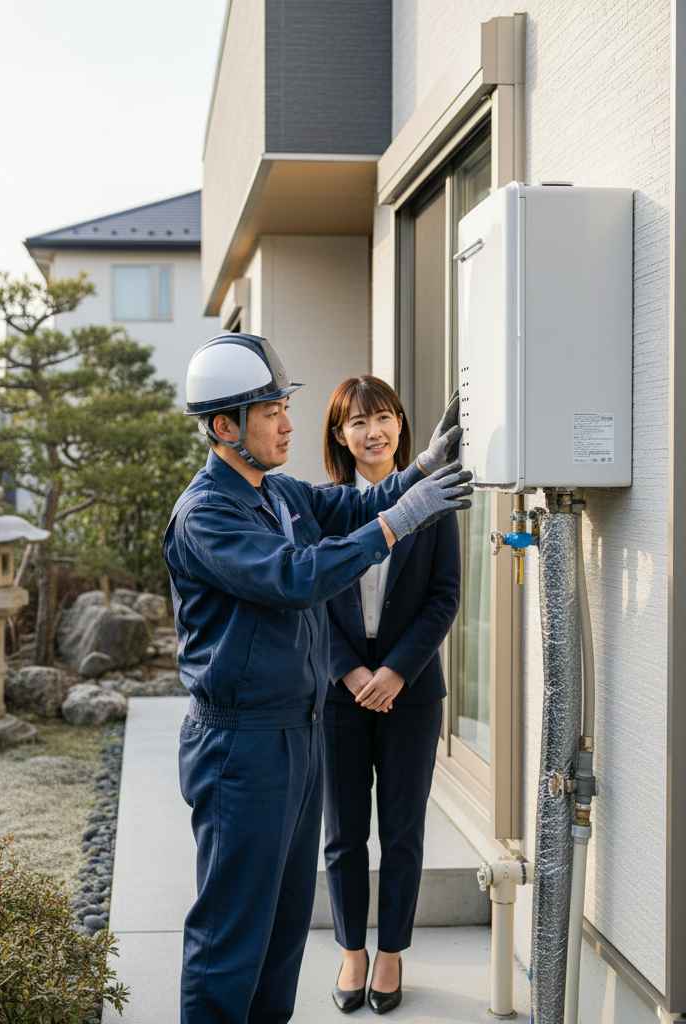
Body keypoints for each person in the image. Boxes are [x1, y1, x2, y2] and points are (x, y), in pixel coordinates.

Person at [163, 333, 471, 1024]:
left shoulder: (275, 493)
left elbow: (356, 507)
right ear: (224, 426)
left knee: (281, 938)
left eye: (282, 406)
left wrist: (419, 469)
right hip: (240, 748)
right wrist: (401, 520)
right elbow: (296, 578)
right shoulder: (209, 514)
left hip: (293, 738)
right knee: (231, 938)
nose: (287, 422)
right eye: (270, 409)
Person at [320, 376, 461, 1015]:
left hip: (411, 688)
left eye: (383, 418)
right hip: (339, 690)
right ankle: (352, 951)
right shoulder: (322, 506)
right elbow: (310, 594)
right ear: (340, 436)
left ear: (402, 425)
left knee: (401, 831)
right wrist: (348, 672)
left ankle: (393, 953)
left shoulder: (430, 499)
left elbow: (444, 595)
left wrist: (398, 671)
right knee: (344, 833)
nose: (372, 431)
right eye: (358, 422)